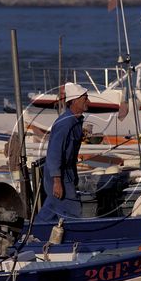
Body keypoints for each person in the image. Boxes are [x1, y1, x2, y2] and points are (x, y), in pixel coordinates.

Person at [36, 82, 90, 221]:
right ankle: (76, 240)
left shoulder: (76, 121)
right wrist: (57, 182)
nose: (88, 101)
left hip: (67, 172)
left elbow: (70, 153)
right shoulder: (65, 123)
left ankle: (33, 233)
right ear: (74, 101)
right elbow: (54, 154)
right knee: (73, 210)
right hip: (59, 174)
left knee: (52, 209)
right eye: (85, 98)